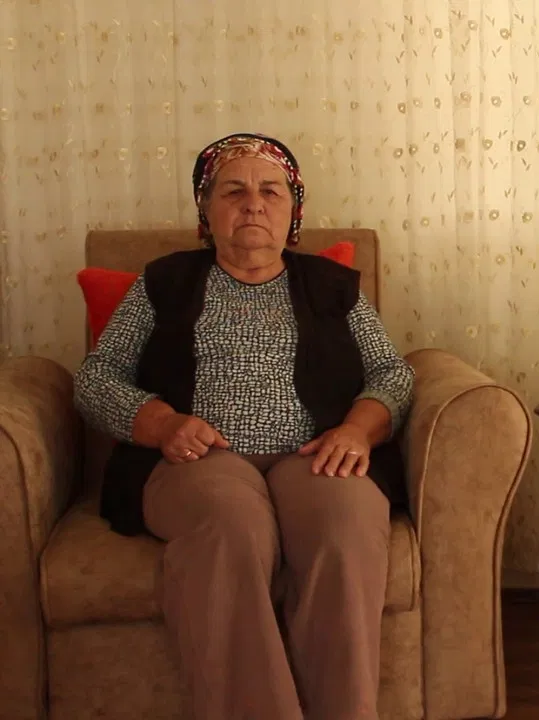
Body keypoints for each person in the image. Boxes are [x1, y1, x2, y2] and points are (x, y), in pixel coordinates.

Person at [73, 132, 415, 720]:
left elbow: (392, 373)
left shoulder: (332, 289)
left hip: (315, 457)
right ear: (206, 212)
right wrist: (160, 424)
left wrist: (359, 429)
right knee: (229, 523)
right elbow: (96, 377)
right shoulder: (164, 282)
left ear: (292, 209)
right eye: (233, 190)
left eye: (270, 190)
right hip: (196, 464)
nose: (253, 202)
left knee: (349, 520)